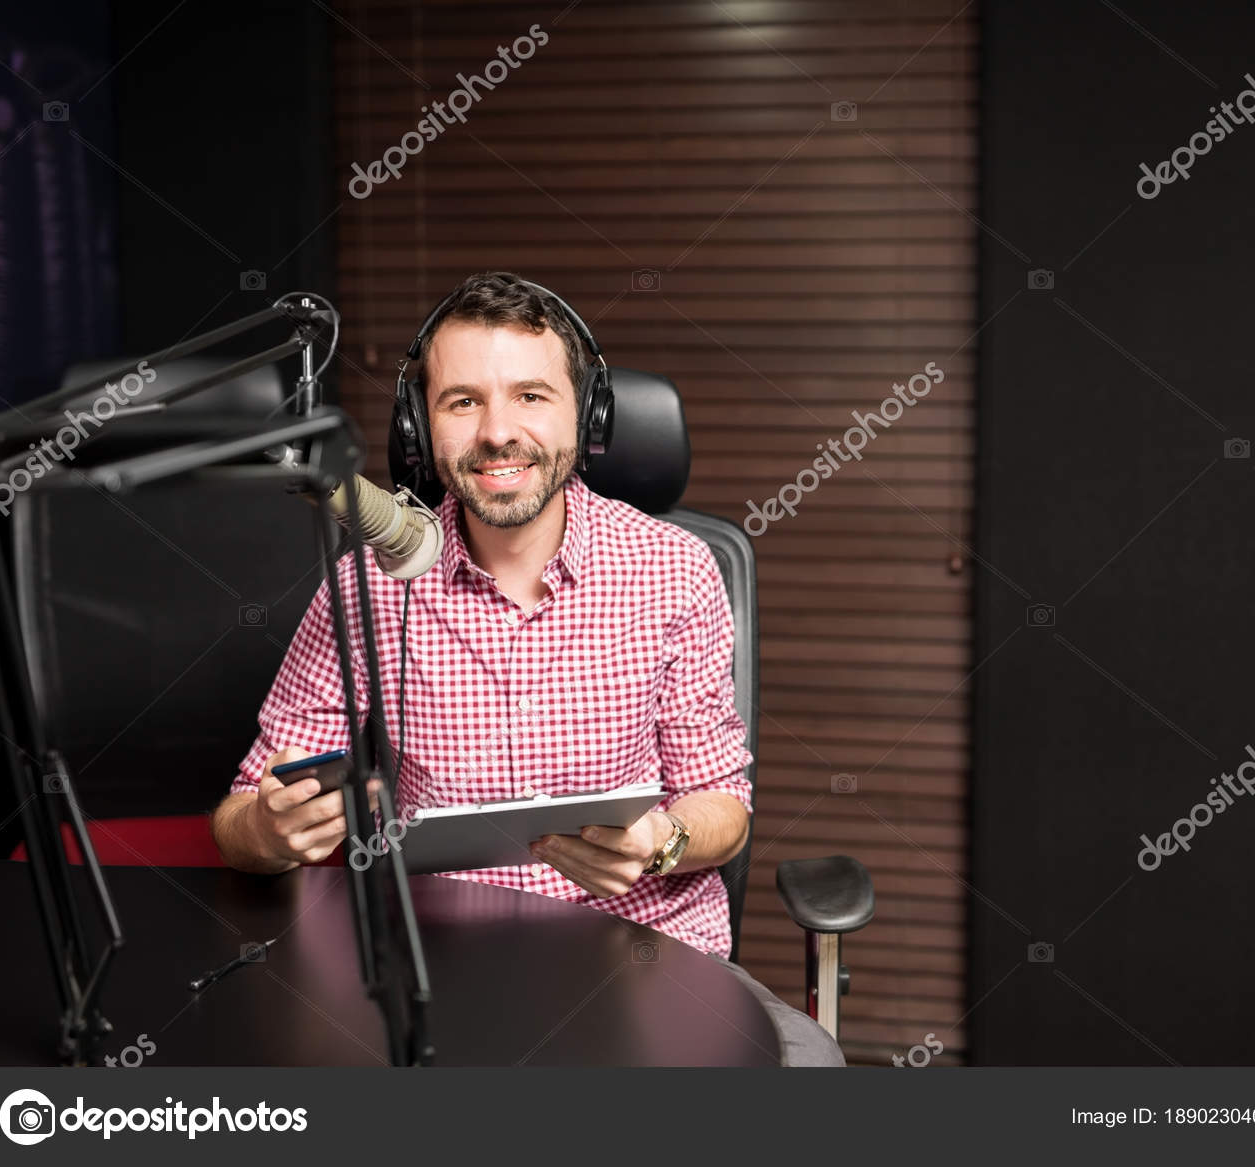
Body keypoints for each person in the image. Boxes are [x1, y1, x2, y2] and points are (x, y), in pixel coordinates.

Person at [209, 271, 841, 1066]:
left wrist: (664, 841)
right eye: (463, 401)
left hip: (647, 961)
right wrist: (269, 829)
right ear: (419, 428)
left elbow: (724, 804)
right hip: (448, 972)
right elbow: (239, 819)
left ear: (588, 417)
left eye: (532, 396)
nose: (497, 432)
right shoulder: (367, 581)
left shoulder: (674, 569)